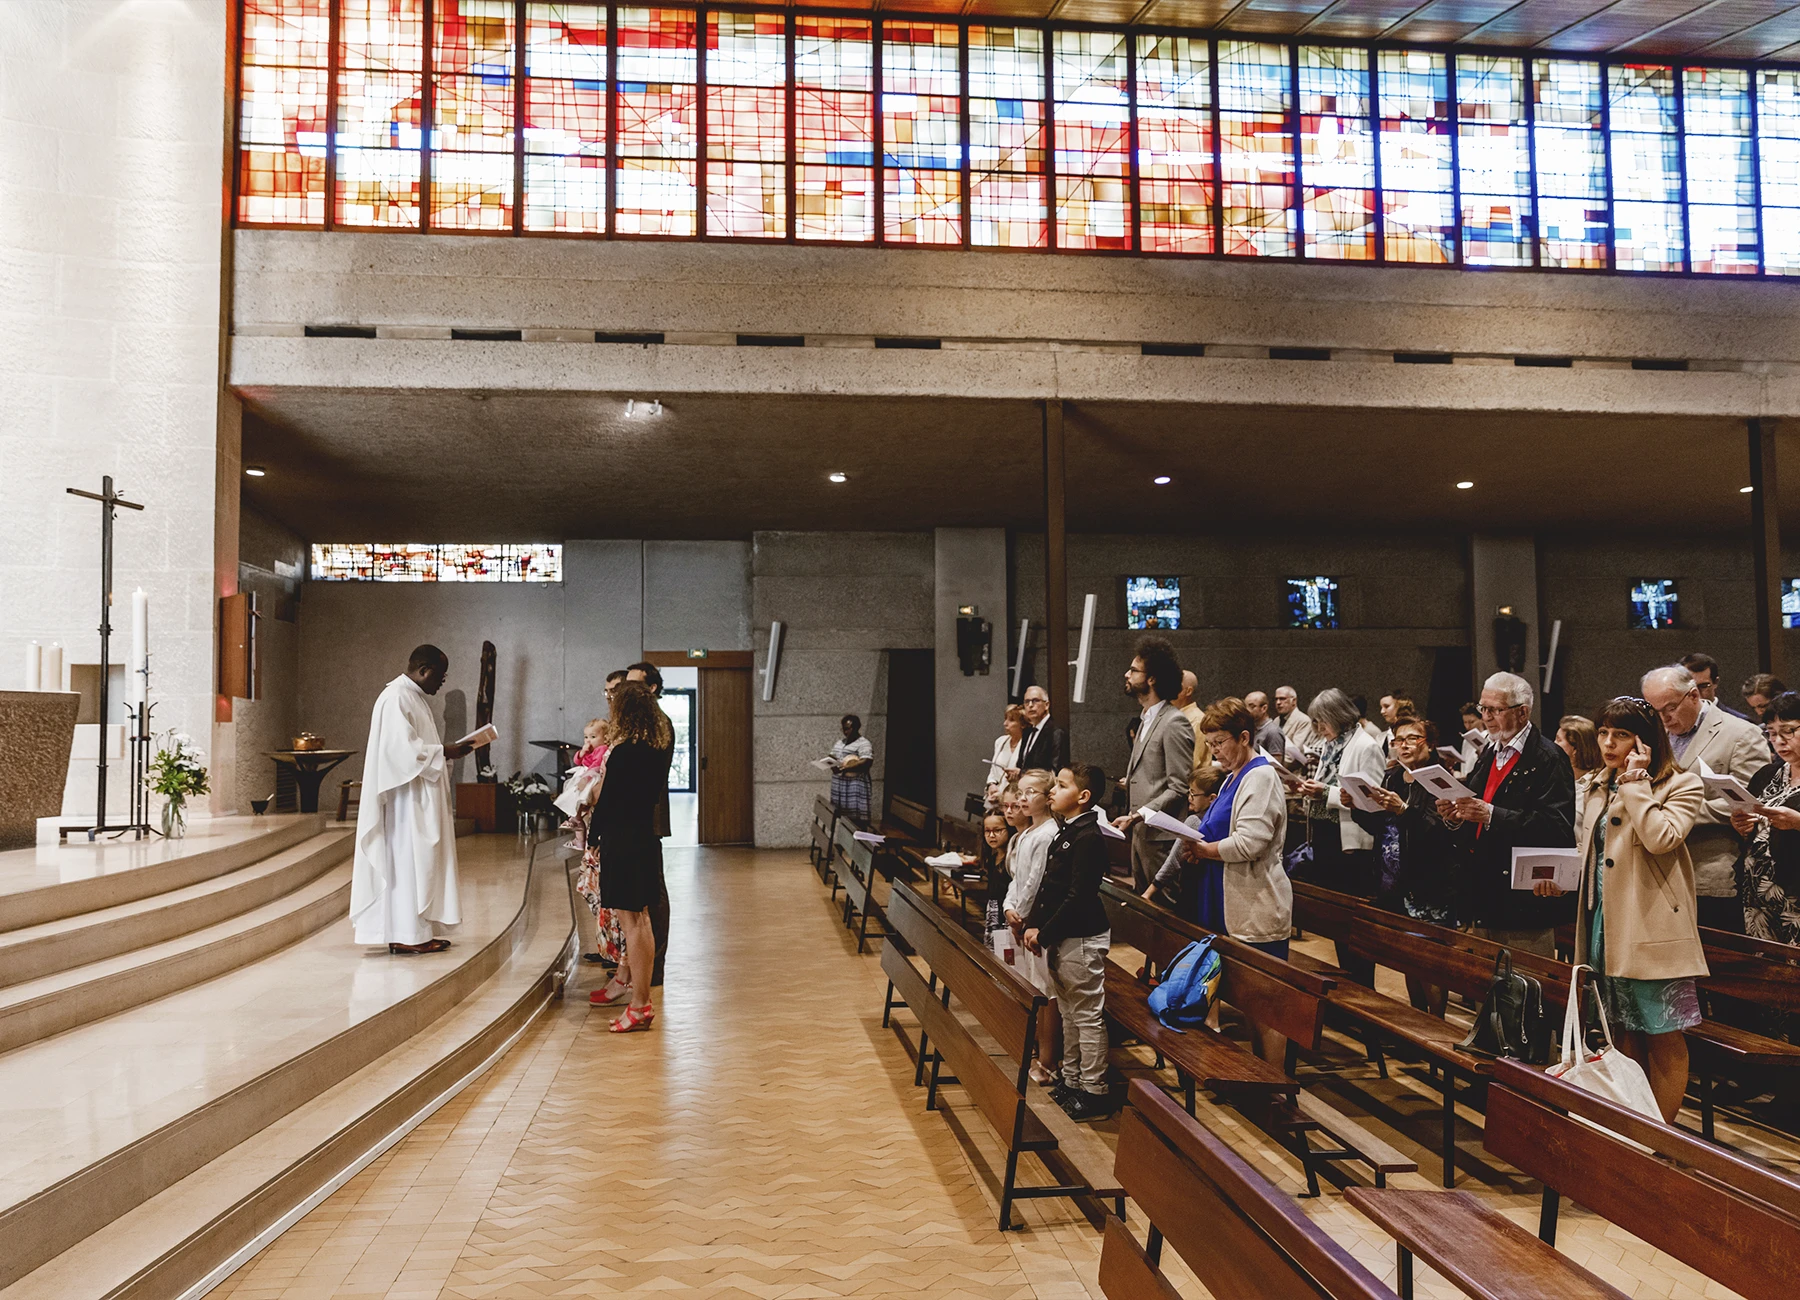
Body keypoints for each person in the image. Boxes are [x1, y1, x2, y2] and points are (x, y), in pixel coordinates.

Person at [1534, 697, 1707, 1124]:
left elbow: (1661, 838)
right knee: (1621, 1031)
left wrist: (1635, 786)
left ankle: (1662, 1137)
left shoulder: (1681, 784)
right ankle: (1632, 1124)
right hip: (1604, 926)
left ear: (1645, 741)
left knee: (1663, 1035)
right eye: (1604, 732)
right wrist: (1558, 877)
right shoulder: (1595, 782)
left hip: (1651, 928)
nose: (1608, 743)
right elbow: (1588, 850)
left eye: (1621, 734)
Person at [1164, 699, 1293, 1062]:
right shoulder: (1234, 776)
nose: (1214, 750)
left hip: (1255, 906)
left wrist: (1204, 850)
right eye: (1209, 743)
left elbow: (1251, 843)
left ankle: (1274, 1086)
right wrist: (1195, 845)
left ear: (1244, 737)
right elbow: (1213, 829)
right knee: (1245, 999)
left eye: (1219, 741)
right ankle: (1256, 1077)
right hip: (1224, 902)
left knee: (1264, 1005)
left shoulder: (1261, 775)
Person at [1437, 671, 1575, 958]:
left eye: (1495, 710)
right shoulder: (1490, 751)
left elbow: (1556, 826)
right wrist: (1455, 814)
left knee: (1524, 986)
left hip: (1522, 898)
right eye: (1483, 708)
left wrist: (1491, 815)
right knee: (1485, 987)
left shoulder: (1548, 758)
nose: (1486, 716)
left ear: (1522, 712)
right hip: (1484, 890)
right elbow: (1477, 805)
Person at [350, 645, 471, 954]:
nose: (440, 684)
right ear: (425, 670)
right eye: (440, 678)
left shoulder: (411, 697)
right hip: (405, 803)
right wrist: (446, 750)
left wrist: (446, 751)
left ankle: (413, 932)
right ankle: (406, 935)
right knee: (406, 864)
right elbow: (400, 753)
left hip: (418, 797)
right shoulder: (396, 698)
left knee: (417, 865)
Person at [1642, 663, 1771, 934]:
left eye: (1670, 708)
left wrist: (1677, 814)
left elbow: (1751, 803)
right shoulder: (1654, 736)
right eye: (1655, 711)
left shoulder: (1740, 733)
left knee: (1717, 966)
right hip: (1657, 871)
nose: (1664, 718)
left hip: (1712, 869)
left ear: (1693, 695)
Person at [1023, 763, 1114, 1121]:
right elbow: (1051, 889)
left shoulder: (1089, 836)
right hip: (1064, 936)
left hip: (1082, 937)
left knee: (1087, 1016)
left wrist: (1044, 933)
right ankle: (1072, 1080)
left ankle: (1093, 1090)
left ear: (1083, 796)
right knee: (1069, 1013)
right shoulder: (1068, 832)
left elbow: (1077, 896)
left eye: (1060, 786)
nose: (1052, 792)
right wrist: (1037, 926)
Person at [1352, 716, 1461, 1014]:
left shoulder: (1441, 779)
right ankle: (1417, 1019)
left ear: (1431, 744)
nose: (1404, 746)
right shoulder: (1394, 777)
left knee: (1431, 962)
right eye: (1398, 740)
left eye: (1412, 739)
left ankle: (1437, 1025)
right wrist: (1358, 806)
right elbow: (1382, 827)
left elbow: (1440, 831)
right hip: (1394, 884)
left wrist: (1403, 809)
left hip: (1430, 884)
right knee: (1408, 960)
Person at [587, 680, 675, 1032]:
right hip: (644, 837)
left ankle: (639, 1005)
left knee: (632, 924)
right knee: (642, 921)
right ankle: (641, 1002)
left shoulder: (625, 753)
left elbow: (603, 799)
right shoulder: (656, 747)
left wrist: (591, 789)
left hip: (622, 840)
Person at [1295, 686, 1385, 983]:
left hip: (1351, 845)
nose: (1318, 729)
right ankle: (1348, 985)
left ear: (1338, 716)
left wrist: (1327, 792)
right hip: (1326, 838)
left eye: (1322, 721)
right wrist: (1310, 790)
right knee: (1337, 923)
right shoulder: (1332, 744)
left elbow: (1372, 799)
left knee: (1354, 926)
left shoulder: (1365, 746)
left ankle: (1362, 987)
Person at [1113, 638, 1196, 891]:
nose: (1127, 674)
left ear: (1152, 679)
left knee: (1164, 909)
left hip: (1161, 837)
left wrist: (1139, 814)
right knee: (1143, 906)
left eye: (1134, 670)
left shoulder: (1173, 722)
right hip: (1142, 833)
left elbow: (1178, 786)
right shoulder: (1146, 719)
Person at [1004, 769, 1061, 1084]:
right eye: (1020, 793)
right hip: (1022, 919)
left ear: (1047, 797)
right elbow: (1017, 879)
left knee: (1045, 990)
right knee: (1034, 987)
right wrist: (1009, 907)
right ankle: (1038, 1051)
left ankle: (1049, 1061)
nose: (1022, 799)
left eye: (1029, 793)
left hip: (1037, 923)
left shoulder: (1048, 833)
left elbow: (1036, 881)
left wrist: (1022, 913)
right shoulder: (1027, 833)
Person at [1735, 691, 1800, 943]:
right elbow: (1751, 823)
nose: (1779, 741)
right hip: (1758, 892)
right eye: (1772, 733)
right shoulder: (1767, 774)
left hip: (1794, 892)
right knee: (1765, 974)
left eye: (1788, 731)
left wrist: (1797, 823)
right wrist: (1741, 825)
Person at [625, 662, 675, 986]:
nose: (627, 691)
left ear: (653, 688)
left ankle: (654, 968)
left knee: (653, 892)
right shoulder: (639, 719)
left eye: (635, 685)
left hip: (647, 815)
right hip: (634, 816)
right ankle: (635, 962)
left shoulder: (658, 722)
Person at [1143, 766, 1226, 917]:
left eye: (1193, 794)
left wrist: (1149, 892)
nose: (1189, 798)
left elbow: (1173, 862)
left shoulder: (1194, 821)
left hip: (1193, 891)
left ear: (1212, 798)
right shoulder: (1224, 821)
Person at [1014, 684, 1069, 778]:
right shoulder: (1027, 732)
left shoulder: (1056, 732)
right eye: (1027, 702)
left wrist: (1022, 773)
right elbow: (1022, 764)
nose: (1030, 705)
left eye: (1035, 701)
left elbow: (1054, 771)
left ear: (1047, 705)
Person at [829, 713, 874, 821]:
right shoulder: (841, 742)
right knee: (842, 817)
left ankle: (859, 837)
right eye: (843, 729)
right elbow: (833, 755)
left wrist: (848, 767)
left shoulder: (863, 743)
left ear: (856, 728)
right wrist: (831, 763)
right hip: (840, 783)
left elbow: (866, 761)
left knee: (856, 818)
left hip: (854, 784)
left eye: (848, 729)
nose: (845, 732)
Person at [1173, 670, 1215, 773]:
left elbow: (1192, 763)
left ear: (1188, 691)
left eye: (1174, 685)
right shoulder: (1173, 716)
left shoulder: (1197, 720)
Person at [1683, 653, 1748, 719]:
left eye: (1703, 686)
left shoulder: (1741, 722)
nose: (1696, 693)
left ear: (1715, 682)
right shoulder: (1675, 722)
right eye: (1690, 687)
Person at [985, 704, 1026, 806]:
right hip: (994, 798)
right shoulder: (1000, 741)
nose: (1005, 723)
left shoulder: (1027, 745)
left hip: (1014, 799)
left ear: (1022, 724)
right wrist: (991, 784)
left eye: (1011, 720)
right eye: (1005, 719)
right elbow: (993, 770)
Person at [1556, 715, 1604, 791]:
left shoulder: (1594, 786)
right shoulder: (1558, 777)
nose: (1553, 744)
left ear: (1576, 749)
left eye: (1558, 740)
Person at [1244, 690, 1287, 760]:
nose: (1247, 710)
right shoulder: (1251, 728)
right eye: (1245, 707)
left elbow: (1276, 766)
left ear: (1264, 708)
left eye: (1251, 706)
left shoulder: (1273, 732)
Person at [1275, 685, 1316, 751]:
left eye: (1282, 699)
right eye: (1276, 699)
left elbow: (1296, 752)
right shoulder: (1276, 721)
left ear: (1293, 701)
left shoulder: (1303, 721)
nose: (1278, 702)